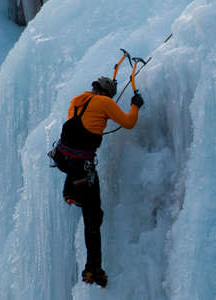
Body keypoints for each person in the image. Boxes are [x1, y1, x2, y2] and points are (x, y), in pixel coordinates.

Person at [60, 76, 144, 287]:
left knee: (87, 201)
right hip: (82, 168)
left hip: (66, 163)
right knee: (93, 217)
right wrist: (135, 106)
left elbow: (81, 128)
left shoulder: (77, 101)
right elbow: (129, 123)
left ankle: (69, 192)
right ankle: (93, 269)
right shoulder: (105, 102)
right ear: (108, 93)